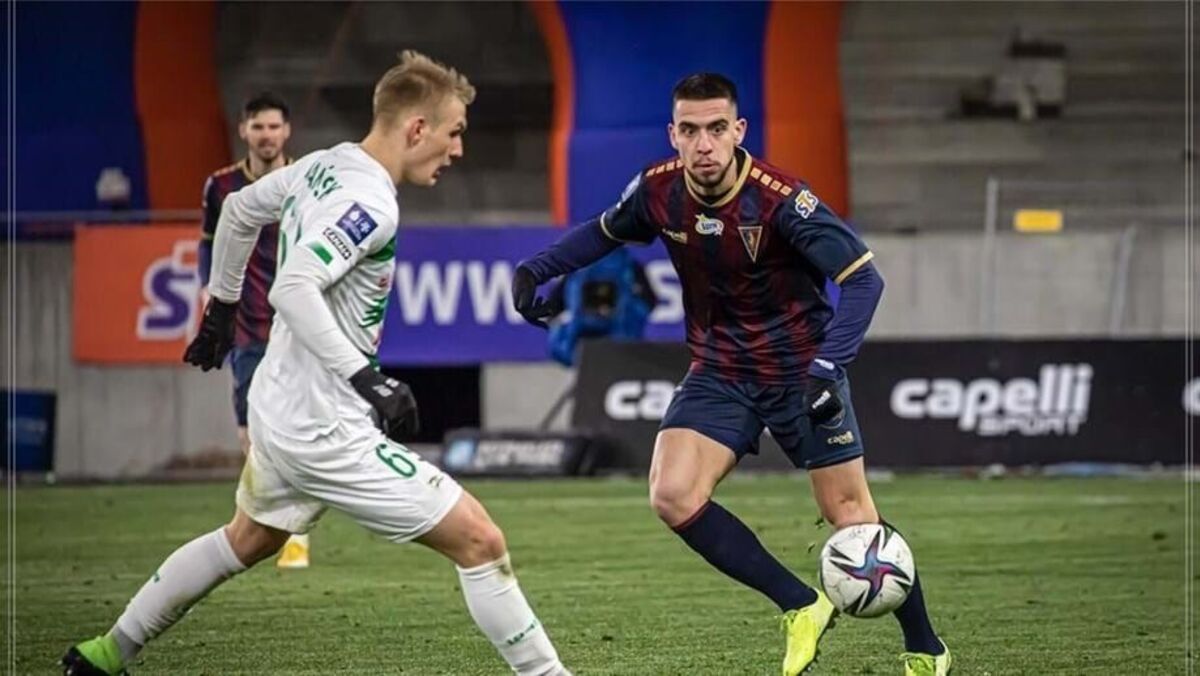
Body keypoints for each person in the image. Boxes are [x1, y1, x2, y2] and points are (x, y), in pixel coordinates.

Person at [62, 51, 570, 676]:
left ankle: (106, 652)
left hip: (277, 402)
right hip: (322, 425)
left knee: (247, 539)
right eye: (455, 131)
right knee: (480, 540)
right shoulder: (369, 201)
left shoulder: (323, 165)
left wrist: (222, 308)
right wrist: (366, 377)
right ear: (417, 129)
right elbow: (294, 286)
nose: (458, 148)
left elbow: (239, 210)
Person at [512, 73, 950, 676]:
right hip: (720, 369)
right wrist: (536, 269)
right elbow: (604, 231)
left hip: (800, 372)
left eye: (717, 128)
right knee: (672, 494)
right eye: (690, 130)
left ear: (738, 131)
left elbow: (863, 280)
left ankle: (925, 647)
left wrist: (829, 366)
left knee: (853, 521)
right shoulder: (658, 190)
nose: (704, 144)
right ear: (673, 135)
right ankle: (801, 605)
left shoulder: (781, 201)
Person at [198, 92, 311, 569]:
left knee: (299, 428)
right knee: (251, 432)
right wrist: (209, 293)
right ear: (244, 130)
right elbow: (209, 243)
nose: (267, 135)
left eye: (274, 127)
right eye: (258, 127)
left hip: (298, 323)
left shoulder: (306, 179)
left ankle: (296, 536)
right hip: (247, 326)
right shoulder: (221, 186)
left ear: (287, 131)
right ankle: (261, 527)